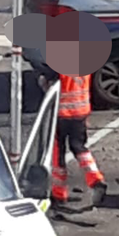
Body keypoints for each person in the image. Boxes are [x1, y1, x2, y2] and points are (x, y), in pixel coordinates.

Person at [45, 68, 106, 211]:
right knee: (79, 147)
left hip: (61, 114)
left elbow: (48, 82)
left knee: (57, 152)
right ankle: (95, 178)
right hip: (81, 111)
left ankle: (59, 194)